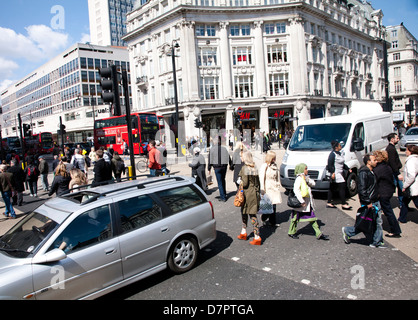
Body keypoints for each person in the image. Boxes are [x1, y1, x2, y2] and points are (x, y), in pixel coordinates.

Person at [342, 154, 385, 248]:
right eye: (374, 160)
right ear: (368, 161)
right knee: (367, 222)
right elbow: (362, 189)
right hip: (370, 201)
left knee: (375, 222)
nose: (376, 161)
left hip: (374, 200)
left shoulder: (371, 171)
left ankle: (377, 241)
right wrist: (367, 202)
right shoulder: (364, 173)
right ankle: (349, 231)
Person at [288, 163, 329, 240]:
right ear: (301, 170)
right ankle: (291, 232)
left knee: (312, 218)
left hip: (307, 203)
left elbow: (313, 183)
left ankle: (318, 234)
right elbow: (296, 190)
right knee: (295, 219)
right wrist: (301, 201)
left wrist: (306, 179)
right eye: (305, 168)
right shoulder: (298, 179)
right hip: (301, 203)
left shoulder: (305, 178)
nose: (307, 170)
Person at [372, 150, 402, 237]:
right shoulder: (387, 167)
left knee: (388, 212)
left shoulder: (378, 169)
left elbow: (374, 180)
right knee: (387, 210)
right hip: (388, 191)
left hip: (383, 192)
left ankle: (395, 230)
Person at [237, 151, 262, 245]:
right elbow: (258, 183)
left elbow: (245, 183)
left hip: (247, 194)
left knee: (246, 212)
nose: (241, 158)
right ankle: (245, 232)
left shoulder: (244, 168)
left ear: (245, 158)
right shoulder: (254, 167)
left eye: (242, 157)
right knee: (251, 213)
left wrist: (239, 181)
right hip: (254, 193)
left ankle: (256, 236)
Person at [326, 140, 352, 210]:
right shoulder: (332, 154)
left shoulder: (339, 153)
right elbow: (330, 164)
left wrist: (348, 168)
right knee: (342, 187)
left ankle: (329, 202)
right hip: (336, 173)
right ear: (336, 147)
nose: (341, 146)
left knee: (332, 187)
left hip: (340, 172)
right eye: (340, 145)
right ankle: (343, 203)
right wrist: (333, 173)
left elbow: (342, 164)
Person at [259, 150, 282, 227]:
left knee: (274, 205)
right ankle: (264, 217)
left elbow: (277, 176)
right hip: (267, 187)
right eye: (273, 158)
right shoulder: (264, 166)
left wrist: (278, 184)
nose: (274, 159)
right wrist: (262, 189)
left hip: (274, 187)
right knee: (268, 205)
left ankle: (272, 222)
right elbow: (261, 178)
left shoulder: (275, 165)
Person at [208, 137, 232, 202]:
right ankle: (224, 193)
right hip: (224, 166)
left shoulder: (212, 149)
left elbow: (210, 159)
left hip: (217, 167)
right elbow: (228, 157)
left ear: (214, 142)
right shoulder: (224, 149)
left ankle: (223, 197)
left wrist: (209, 168)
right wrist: (231, 165)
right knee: (223, 180)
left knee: (220, 182)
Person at [399, 145, 418, 223]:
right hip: (414, 185)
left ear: (411, 152)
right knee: (404, 202)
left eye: (407, 150)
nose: (405, 151)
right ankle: (402, 218)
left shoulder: (410, 161)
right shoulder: (416, 159)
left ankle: (402, 218)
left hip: (411, 186)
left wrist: (405, 186)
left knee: (415, 202)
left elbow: (411, 175)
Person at [386, 133, 404, 207]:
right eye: (397, 138)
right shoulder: (390, 149)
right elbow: (392, 162)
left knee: (401, 189)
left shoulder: (392, 148)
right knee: (393, 189)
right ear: (392, 139)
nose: (398, 139)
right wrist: (397, 173)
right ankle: (385, 205)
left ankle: (402, 204)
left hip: (395, 172)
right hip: (394, 173)